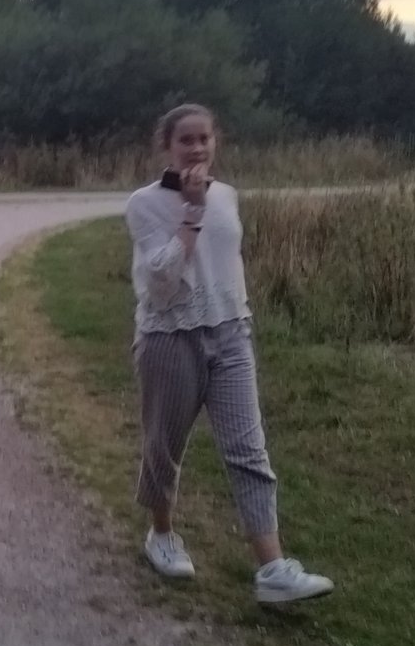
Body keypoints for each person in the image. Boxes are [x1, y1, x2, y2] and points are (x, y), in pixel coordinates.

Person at [124, 103, 334, 603]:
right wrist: (192, 213)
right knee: (164, 447)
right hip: (170, 337)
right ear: (167, 146)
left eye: (205, 138)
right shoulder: (144, 203)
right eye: (186, 140)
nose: (197, 148)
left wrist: (236, 309)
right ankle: (161, 534)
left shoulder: (229, 196)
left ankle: (272, 569)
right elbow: (161, 282)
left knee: (249, 450)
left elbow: (227, 263)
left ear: (215, 142)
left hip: (231, 332)